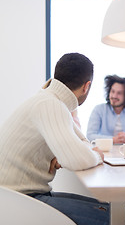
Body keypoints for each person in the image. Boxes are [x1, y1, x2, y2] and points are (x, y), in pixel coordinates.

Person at [0, 53, 116, 225]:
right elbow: (76, 159)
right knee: (111, 218)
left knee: (114, 211)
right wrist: (98, 156)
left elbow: (82, 142)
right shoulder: (50, 105)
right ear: (87, 86)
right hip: (18, 200)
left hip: (14, 196)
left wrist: (65, 154)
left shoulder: (48, 101)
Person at [87, 75, 125, 144]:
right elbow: (90, 136)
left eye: (119, 93)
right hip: (106, 151)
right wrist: (113, 139)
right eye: (112, 91)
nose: (114, 96)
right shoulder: (99, 109)